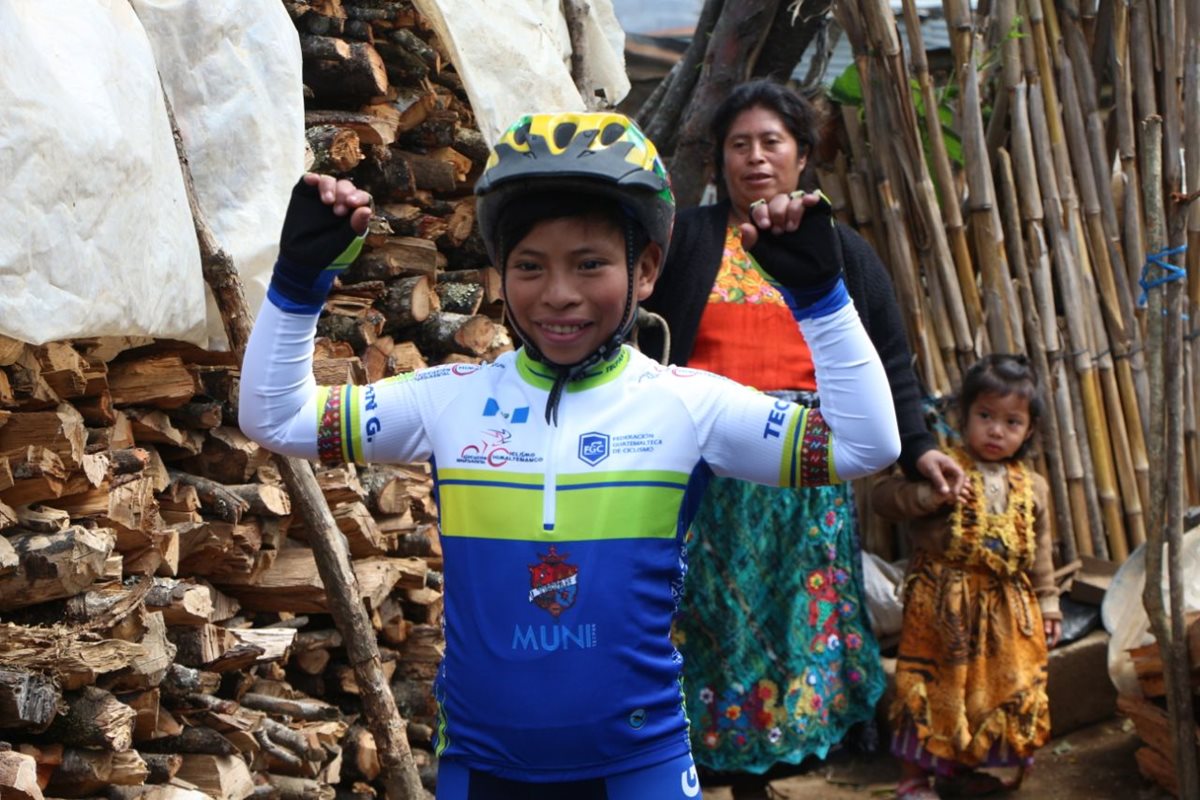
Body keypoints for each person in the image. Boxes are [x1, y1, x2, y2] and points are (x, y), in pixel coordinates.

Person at [239, 111, 901, 799]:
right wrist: (296, 284)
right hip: (482, 769)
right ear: (500, 272)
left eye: (591, 264)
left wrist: (822, 300)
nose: (558, 293)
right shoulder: (451, 398)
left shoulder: (687, 404)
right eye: (530, 266)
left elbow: (865, 444)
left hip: (638, 767)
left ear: (645, 269)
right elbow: (277, 416)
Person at [640, 78, 963, 773]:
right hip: (706, 462)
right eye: (739, 144)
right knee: (703, 605)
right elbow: (640, 339)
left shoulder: (840, 250)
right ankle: (703, 739)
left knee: (800, 606)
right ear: (721, 158)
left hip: (809, 464)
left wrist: (920, 450)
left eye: (771, 142)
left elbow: (890, 362)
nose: (755, 158)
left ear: (803, 157)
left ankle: (799, 739)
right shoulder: (687, 240)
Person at [870, 354, 1062, 799]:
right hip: (942, 609)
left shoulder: (1033, 486)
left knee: (992, 691)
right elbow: (883, 497)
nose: (997, 430)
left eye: (1012, 422)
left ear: (1028, 430)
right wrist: (926, 495)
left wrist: (1049, 604)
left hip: (1004, 615)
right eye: (985, 416)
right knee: (934, 688)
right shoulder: (940, 466)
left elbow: (1042, 554)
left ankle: (963, 770)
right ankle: (914, 780)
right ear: (964, 415)